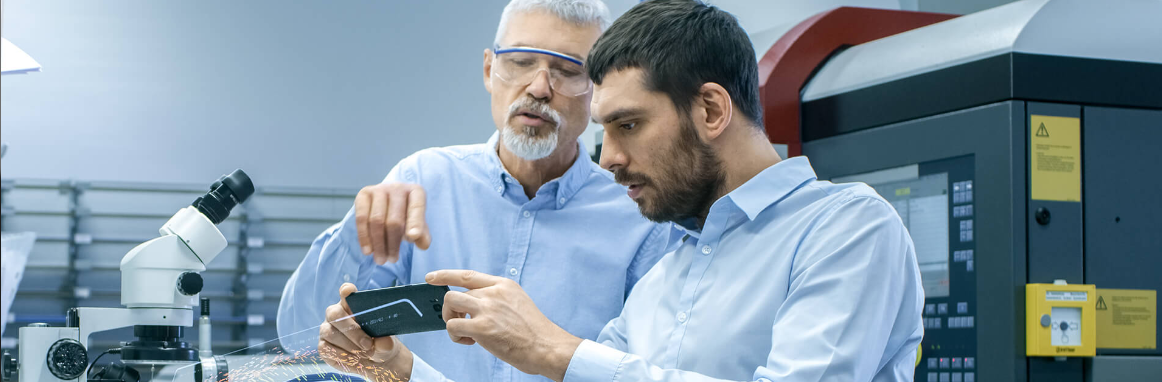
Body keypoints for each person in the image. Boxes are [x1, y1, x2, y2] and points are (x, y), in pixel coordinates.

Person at [423, 0, 926, 381]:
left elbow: (575, 364)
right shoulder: (664, 274)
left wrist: (557, 350)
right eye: (604, 131)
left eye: (629, 125)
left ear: (710, 110)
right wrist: (401, 371)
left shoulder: (848, 229)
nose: (609, 159)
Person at [276, 1, 675, 380]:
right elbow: (298, 334)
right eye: (520, 62)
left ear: (597, 91)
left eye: (568, 70)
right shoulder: (421, 181)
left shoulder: (638, 214)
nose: (538, 87)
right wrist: (355, 233)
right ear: (489, 70)